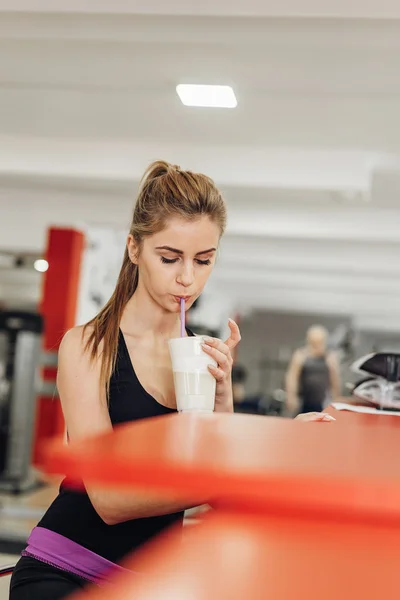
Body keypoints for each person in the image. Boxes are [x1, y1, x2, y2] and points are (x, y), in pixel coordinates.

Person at [10, 161, 333, 599]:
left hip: (156, 581)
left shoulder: (202, 357)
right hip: (65, 569)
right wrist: (252, 461)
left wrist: (231, 414)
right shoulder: (87, 346)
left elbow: (218, 497)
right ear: (133, 249)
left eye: (204, 260)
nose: (187, 278)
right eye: (169, 258)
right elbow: (110, 500)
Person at [285, 325, 341, 417]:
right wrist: (291, 396)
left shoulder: (330, 357)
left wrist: (336, 397)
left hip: (322, 401)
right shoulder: (301, 355)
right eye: (313, 343)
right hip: (304, 400)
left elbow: (335, 379)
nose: (316, 346)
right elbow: (292, 377)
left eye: (319, 342)